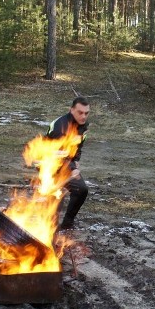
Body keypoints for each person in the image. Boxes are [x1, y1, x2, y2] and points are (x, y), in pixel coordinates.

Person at [46, 97, 91, 230]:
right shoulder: (60, 127)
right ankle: (49, 227)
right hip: (49, 162)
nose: (84, 116)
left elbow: (79, 145)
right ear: (71, 110)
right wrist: (71, 169)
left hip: (67, 162)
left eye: (86, 113)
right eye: (80, 112)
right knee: (56, 194)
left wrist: (76, 160)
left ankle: (67, 224)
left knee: (81, 189)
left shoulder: (83, 125)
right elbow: (58, 155)